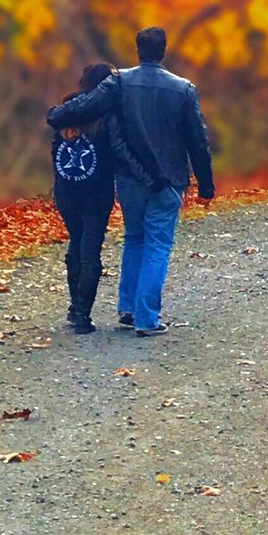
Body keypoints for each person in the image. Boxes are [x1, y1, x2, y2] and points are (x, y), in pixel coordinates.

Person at [47, 27, 214, 337]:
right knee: (158, 246)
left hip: (130, 180)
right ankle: (147, 318)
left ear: (138, 51)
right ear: (163, 51)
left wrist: (56, 115)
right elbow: (197, 140)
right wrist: (206, 184)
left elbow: (87, 105)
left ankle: (127, 307)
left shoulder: (119, 81)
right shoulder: (183, 89)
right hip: (169, 180)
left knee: (135, 237)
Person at [51, 62, 157, 335]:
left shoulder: (66, 109)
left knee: (75, 241)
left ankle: (75, 308)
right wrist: (147, 178)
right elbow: (120, 151)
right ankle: (83, 314)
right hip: (97, 194)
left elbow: (54, 143)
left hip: (66, 191)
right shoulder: (106, 115)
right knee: (91, 249)